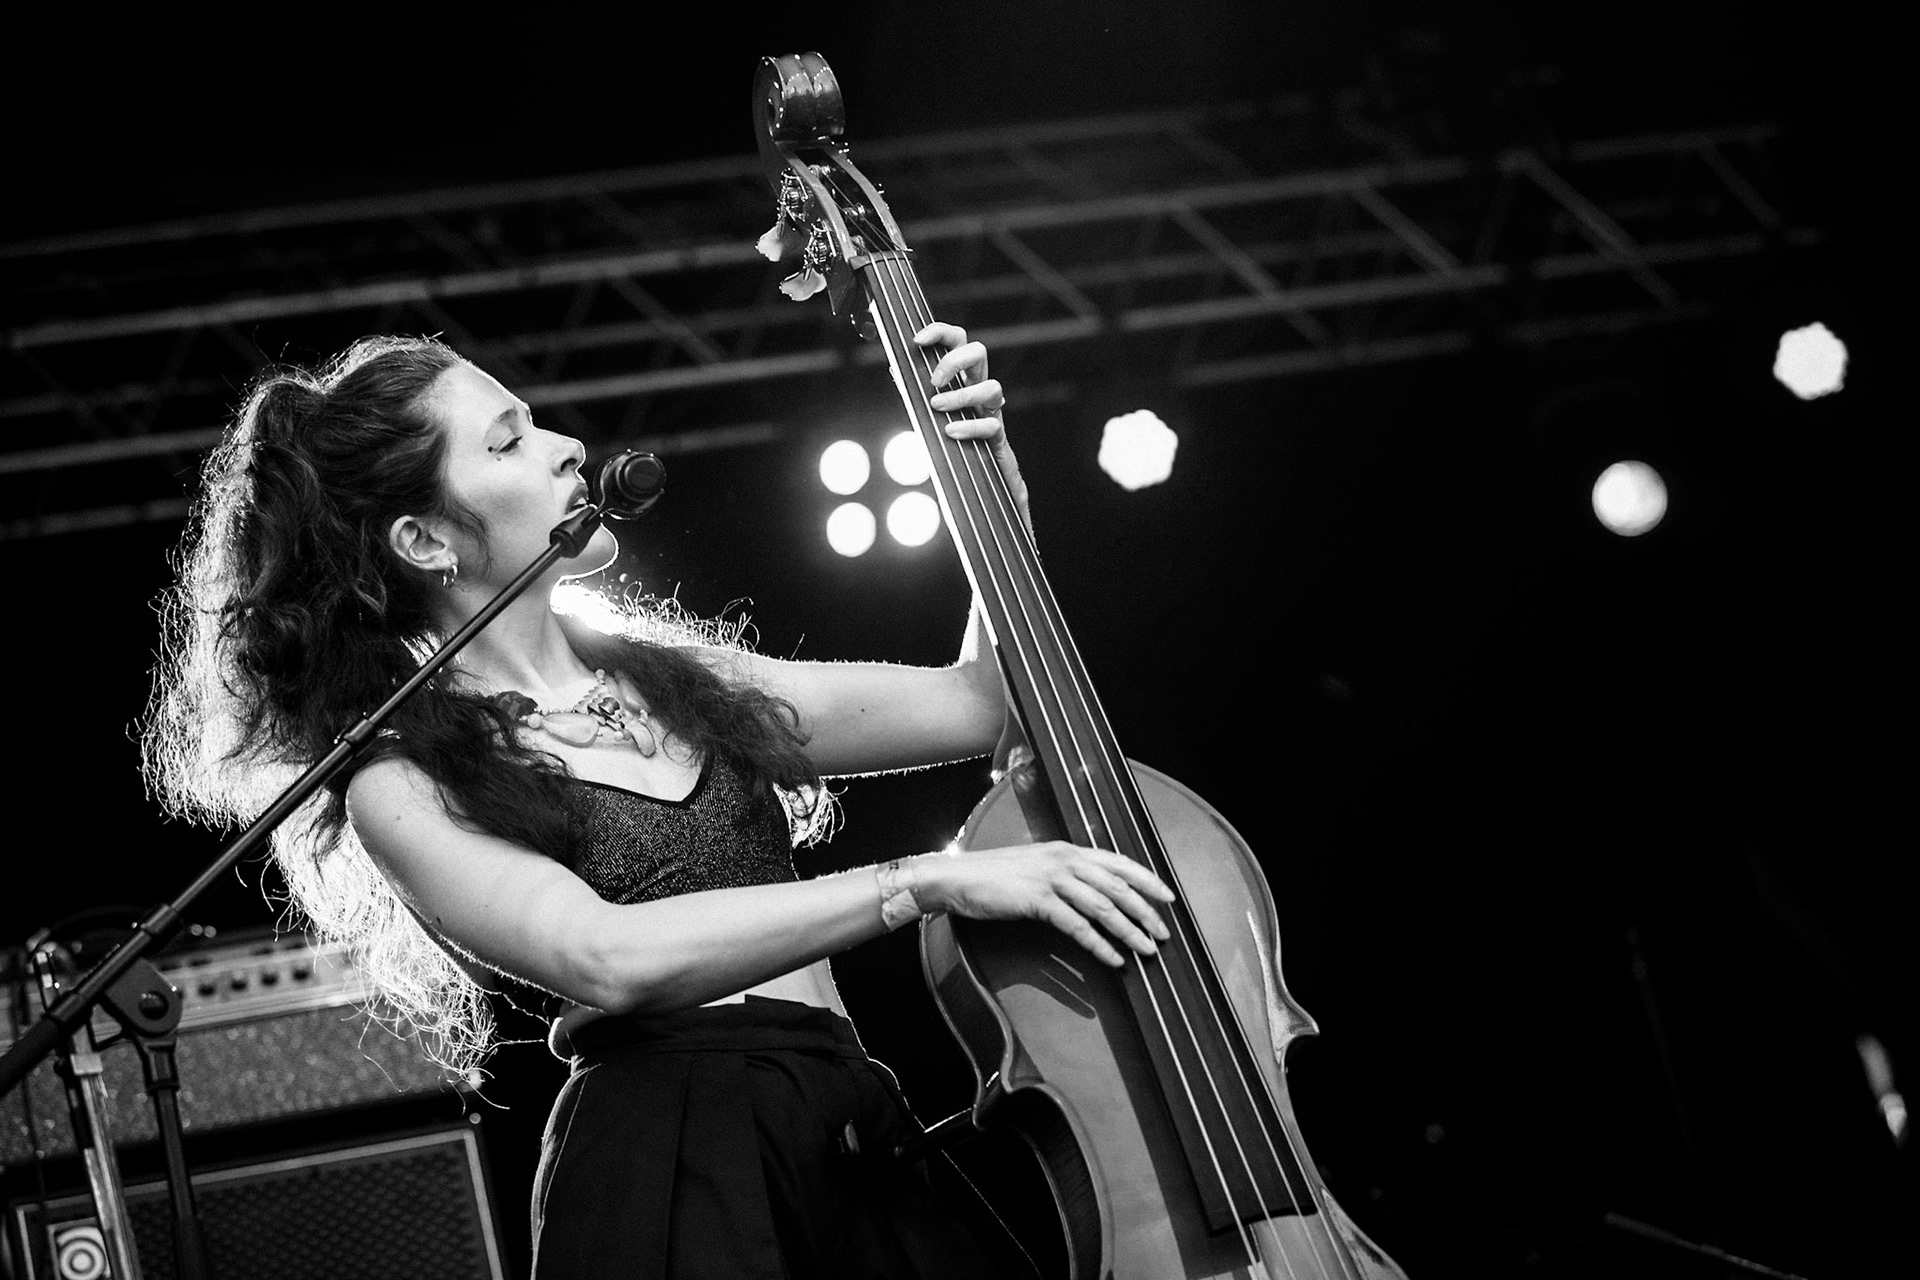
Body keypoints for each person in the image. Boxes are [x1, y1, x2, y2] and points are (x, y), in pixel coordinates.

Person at [141, 325, 1175, 1279]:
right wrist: (921, 881)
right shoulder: (399, 779)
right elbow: (606, 956)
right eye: (508, 442)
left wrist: (989, 484)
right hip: (671, 1156)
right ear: (422, 541)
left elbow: (982, 699)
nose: (562, 446)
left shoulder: (681, 680)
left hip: (854, 1124)